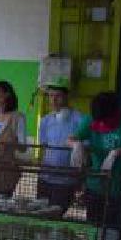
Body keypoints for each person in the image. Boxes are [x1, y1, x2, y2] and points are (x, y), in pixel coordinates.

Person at [69, 91, 121, 225]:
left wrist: (117, 152)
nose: (103, 124)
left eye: (106, 121)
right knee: (93, 225)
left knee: (113, 229)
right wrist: (76, 145)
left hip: (120, 186)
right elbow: (71, 138)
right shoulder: (91, 119)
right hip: (95, 185)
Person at [36, 77, 86, 213]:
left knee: (56, 213)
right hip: (45, 177)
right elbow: (43, 147)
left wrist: (80, 179)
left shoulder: (79, 119)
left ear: (66, 97)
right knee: (40, 213)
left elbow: (85, 148)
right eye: (50, 96)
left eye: (57, 96)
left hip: (66, 179)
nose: (53, 99)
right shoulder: (46, 120)